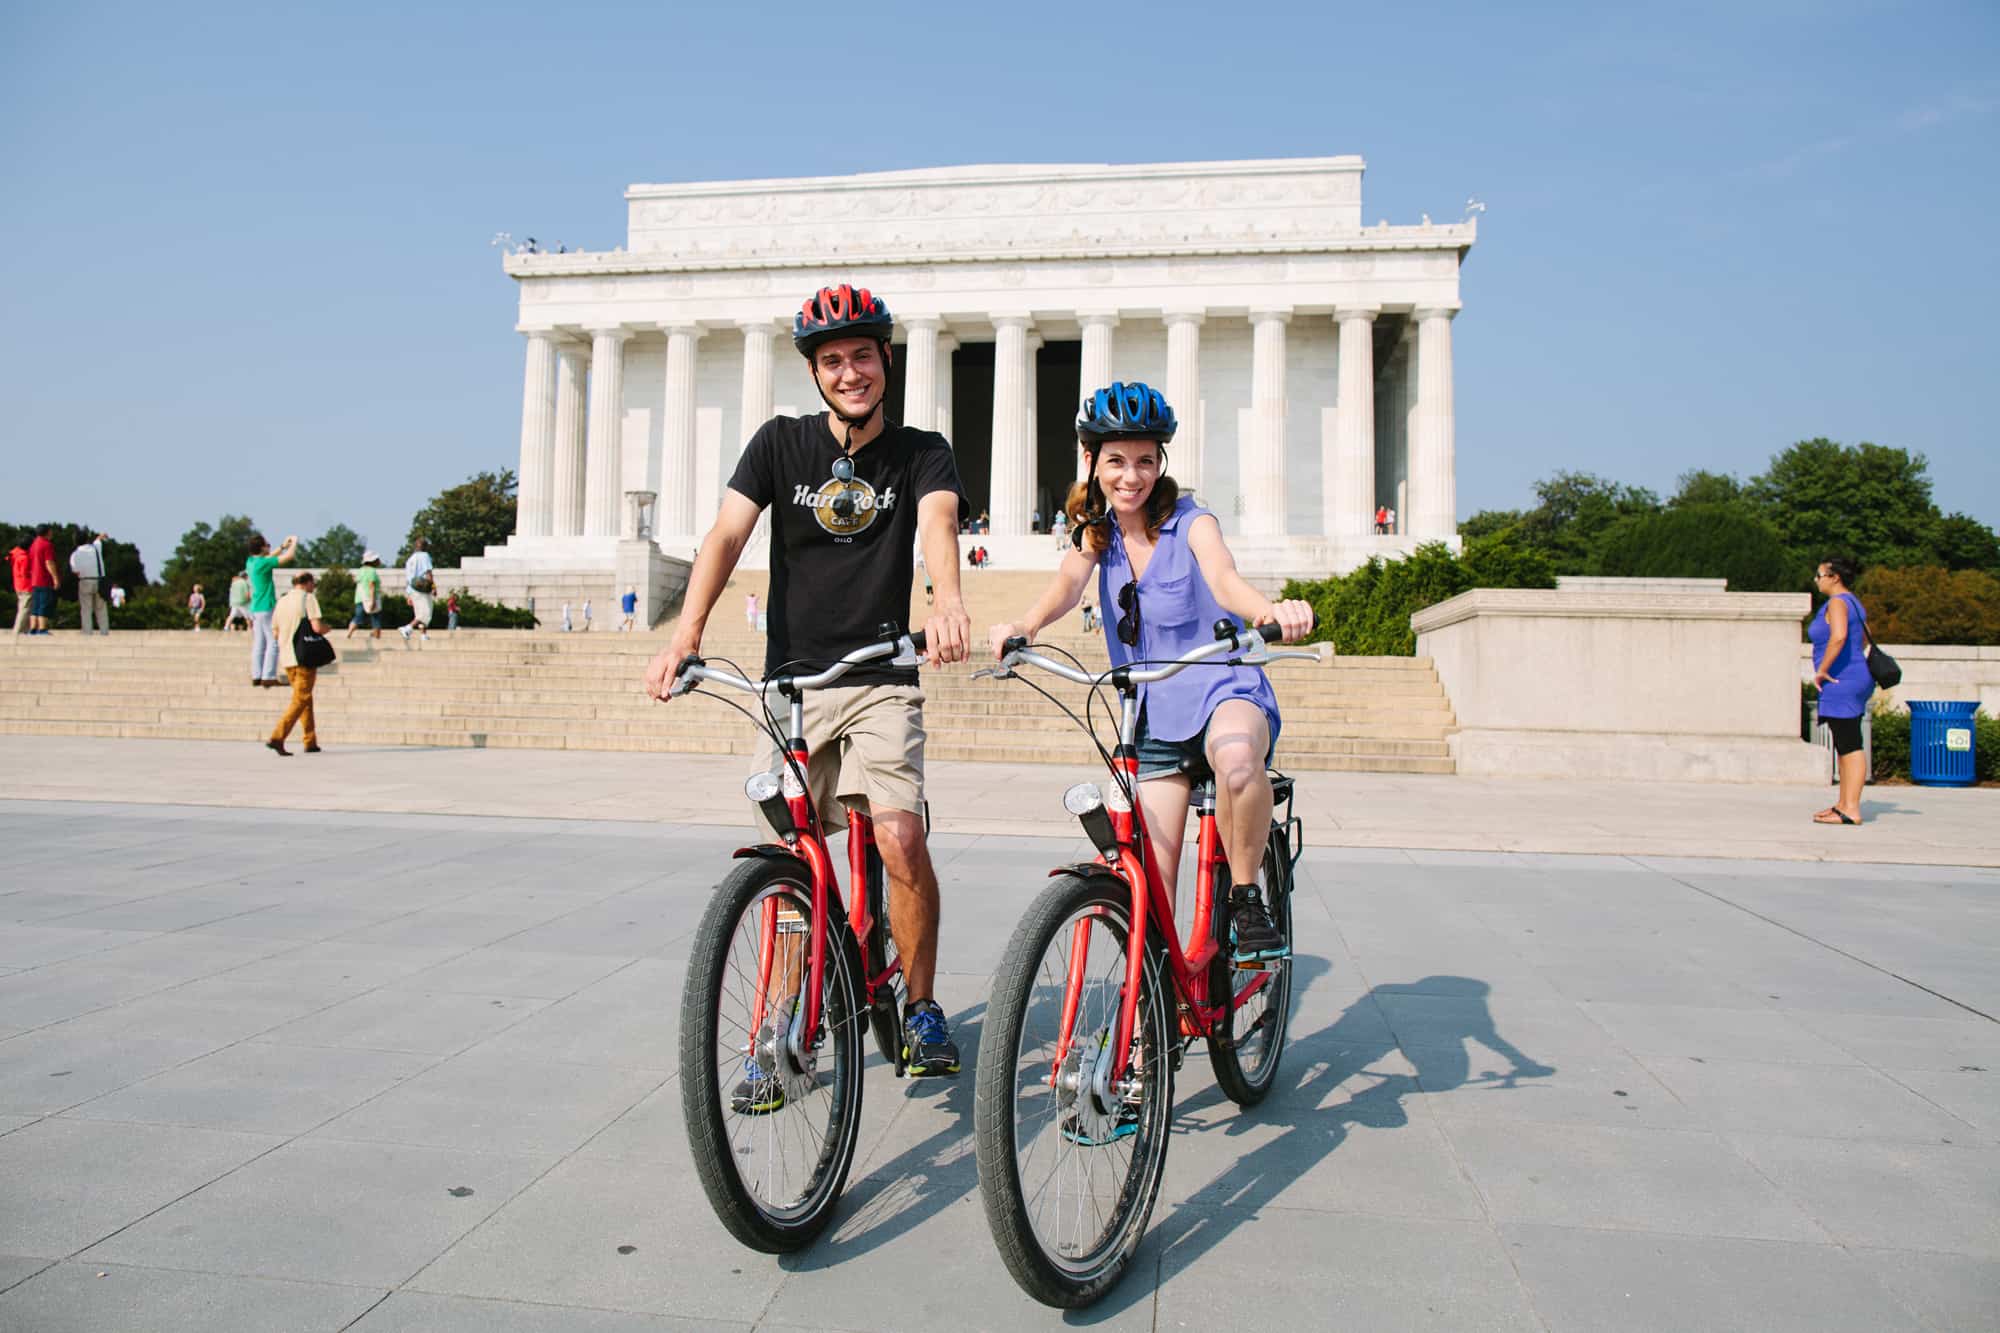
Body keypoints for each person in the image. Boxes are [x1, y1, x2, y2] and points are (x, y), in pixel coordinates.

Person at [644, 282, 972, 1084]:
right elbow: (726, 533)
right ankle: (780, 1030)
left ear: (885, 359)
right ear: (815, 372)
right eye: (834, 360)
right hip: (791, 682)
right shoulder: (778, 444)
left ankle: (922, 1006)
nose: (850, 371)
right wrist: (686, 633)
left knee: (898, 836)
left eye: (863, 354)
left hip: (880, 674)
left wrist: (950, 598)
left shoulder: (921, 450)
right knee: (792, 865)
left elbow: (936, 521)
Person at [988, 381, 1315, 963]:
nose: (1130, 476)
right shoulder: (1099, 532)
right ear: (1093, 463)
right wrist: (1026, 625)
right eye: (1116, 461)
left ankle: (1244, 897)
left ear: (1160, 463)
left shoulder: (1192, 519)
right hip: (1153, 710)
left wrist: (1270, 612)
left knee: (1239, 762)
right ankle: (1149, 1023)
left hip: (1223, 687)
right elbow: (1067, 584)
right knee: (1151, 890)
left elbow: (1223, 579)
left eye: (1144, 460)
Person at [1810, 556, 1876, 826]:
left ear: (1834, 577)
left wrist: (1822, 669)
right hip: (1853, 677)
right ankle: (1843, 805)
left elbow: (1838, 636)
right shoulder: (1853, 602)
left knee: (1850, 744)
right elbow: (1861, 638)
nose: (1817, 580)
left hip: (1841, 681)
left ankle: (1851, 809)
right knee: (1844, 742)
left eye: (1820, 575)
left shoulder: (1838, 602)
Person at [268, 571, 327, 756]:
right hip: (304, 657)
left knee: (305, 699)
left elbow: (275, 632)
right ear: (308, 583)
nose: (314, 587)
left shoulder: (282, 601)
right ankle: (278, 736)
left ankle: (310, 741)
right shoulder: (308, 599)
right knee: (300, 699)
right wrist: (327, 629)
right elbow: (317, 627)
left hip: (287, 657)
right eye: (313, 583)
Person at [245, 532, 297, 685]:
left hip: (255, 607)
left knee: (259, 642)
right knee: (273, 641)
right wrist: (294, 542)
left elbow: (268, 558)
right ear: (261, 548)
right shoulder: (263, 563)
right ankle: (268, 676)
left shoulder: (251, 562)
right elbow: (289, 557)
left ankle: (257, 674)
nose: (269, 546)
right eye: (267, 545)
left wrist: (282, 546)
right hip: (266, 606)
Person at [69, 532, 111, 635]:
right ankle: (104, 632)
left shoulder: (75, 554)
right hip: (99, 580)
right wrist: (101, 536)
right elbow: (98, 540)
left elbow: (75, 571)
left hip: (84, 581)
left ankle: (87, 632)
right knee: (101, 608)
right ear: (87, 539)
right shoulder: (95, 548)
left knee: (86, 609)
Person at [399, 538, 433, 643]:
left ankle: (423, 634)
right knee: (425, 613)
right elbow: (428, 573)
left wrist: (408, 594)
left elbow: (408, 578)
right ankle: (408, 628)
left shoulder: (410, 559)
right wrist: (433, 587)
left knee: (420, 612)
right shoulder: (425, 556)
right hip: (422, 588)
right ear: (425, 547)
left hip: (413, 589)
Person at [26, 526, 58, 636]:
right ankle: (42, 628)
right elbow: (49, 562)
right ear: (47, 532)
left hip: (34, 580)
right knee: (44, 604)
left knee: (35, 605)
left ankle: (33, 628)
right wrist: (55, 578)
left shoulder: (33, 545)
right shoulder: (47, 545)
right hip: (44, 579)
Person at [346, 551, 384, 640]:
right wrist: (373, 600)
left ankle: (349, 633)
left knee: (358, 617)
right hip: (370, 597)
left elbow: (356, 580)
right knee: (376, 618)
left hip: (360, 598)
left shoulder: (361, 570)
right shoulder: (372, 571)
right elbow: (372, 586)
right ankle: (377, 636)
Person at [8, 537, 32, 638]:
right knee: (25, 608)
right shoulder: (24, 557)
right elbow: (24, 573)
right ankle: (18, 630)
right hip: (26, 585)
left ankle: (25, 630)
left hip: (18, 584)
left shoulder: (15, 554)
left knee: (22, 606)